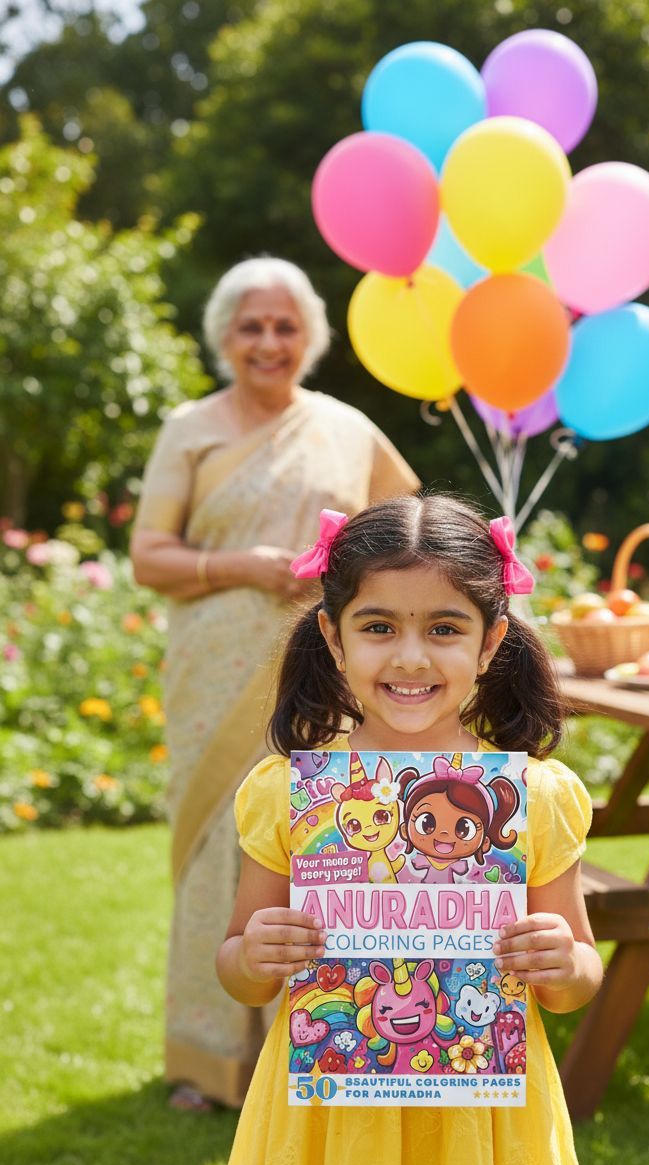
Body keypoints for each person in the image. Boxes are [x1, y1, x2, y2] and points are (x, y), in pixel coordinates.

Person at [212, 494, 602, 1165]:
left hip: (484, 1121)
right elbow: (240, 972)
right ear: (333, 636)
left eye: (445, 629)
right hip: (329, 1114)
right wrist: (255, 951)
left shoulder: (535, 797)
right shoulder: (291, 794)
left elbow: (575, 981)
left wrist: (561, 958)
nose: (412, 657)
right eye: (379, 626)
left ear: (491, 643)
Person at [129, 257, 419, 1112]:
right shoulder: (191, 428)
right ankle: (208, 1060)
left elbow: (404, 528)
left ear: (311, 337)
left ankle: (320, 1039)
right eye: (251, 326)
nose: (268, 342)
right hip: (215, 673)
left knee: (320, 840)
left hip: (324, 667)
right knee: (222, 847)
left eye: (285, 326)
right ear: (225, 335)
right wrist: (243, 566)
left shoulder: (346, 429)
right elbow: (149, 555)